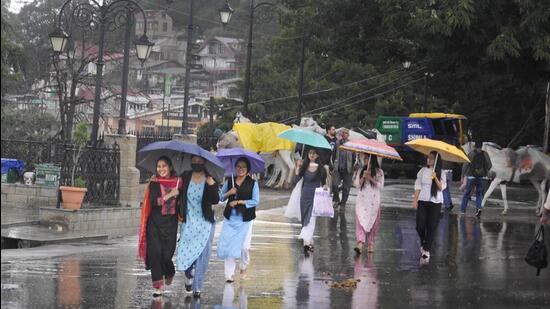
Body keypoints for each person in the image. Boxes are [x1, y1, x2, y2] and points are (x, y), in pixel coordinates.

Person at [138, 156, 183, 297]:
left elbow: (183, 203)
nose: (161, 169)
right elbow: (153, 202)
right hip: (155, 224)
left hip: (171, 224)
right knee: (155, 253)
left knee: (166, 255)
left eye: (164, 166)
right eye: (159, 166)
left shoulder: (179, 182)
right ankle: (157, 286)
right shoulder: (154, 182)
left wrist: (178, 195)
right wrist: (169, 196)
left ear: (170, 167)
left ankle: (169, 272)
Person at [175, 155, 219, 298]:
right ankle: (188, 274)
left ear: (204, 162)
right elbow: (178, 192)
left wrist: (211, 185)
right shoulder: (185, 176)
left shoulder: (210, 178)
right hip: (188, 220)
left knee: (202, 254)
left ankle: (198, 286)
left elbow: (215, 200)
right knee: (186, 249)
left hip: (205, 222)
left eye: (199, 161)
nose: (197, 163)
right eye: (194, 161)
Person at [218, 157, 260, 283]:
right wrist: (228, 193)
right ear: (235, 168)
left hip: (246, 219)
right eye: (238, 166)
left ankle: (244, 265)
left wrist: (239, 201)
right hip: (230, 219)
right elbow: (220, 198)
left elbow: (255, 201)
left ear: (248, 170)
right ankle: (229, 275)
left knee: (244, 247)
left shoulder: (253, 183)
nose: (240, 169)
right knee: (229, 247)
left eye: (243, 167)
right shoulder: (229, 181)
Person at [412, 151, 447, 260]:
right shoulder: (422, 171)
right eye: (428, 157)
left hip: (435, 202)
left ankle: (426, 250)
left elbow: (441, 187)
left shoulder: (442, 172)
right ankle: (423, 242)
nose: (429, 160)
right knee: (420, 225)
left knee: (431, 227)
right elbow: (418, 186)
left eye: (431, 158)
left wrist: (435, 177)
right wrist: (415, 200)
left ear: (436, 160)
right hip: (422, 201)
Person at [295, 148, 328, 254]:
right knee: (305, 219)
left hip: (315, 196)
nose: (312, 155)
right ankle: (309, 241)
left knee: (311, 219)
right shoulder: (304, 166)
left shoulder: (321, 168)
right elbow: (296, 180)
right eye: (310, 153)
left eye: (314, 153)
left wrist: (326, 187)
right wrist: (298, 167)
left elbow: (324, 183)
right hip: (304, 195)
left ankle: (306, 243)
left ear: (317, 155)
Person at [353, 155, 384, 255]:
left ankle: (371, 243)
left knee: (373, 222)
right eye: (364, 158)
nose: (365, 160)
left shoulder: (379, 172)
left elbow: (380, 185)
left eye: (367, 158)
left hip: (373, 201)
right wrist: (363, 177)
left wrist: (370, 178)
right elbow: (357, 185)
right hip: (362, 200)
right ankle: (360, 244)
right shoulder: (361, 170)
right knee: (360, 221)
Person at [460, 140, 492, 217]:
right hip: (482, 177)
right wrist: (484, 170)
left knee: (467, 193)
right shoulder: (485, 154)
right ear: (481, 146)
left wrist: (462, 175)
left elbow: (465, 165)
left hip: (471, 176)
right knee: (479, 194)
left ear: (475, 146)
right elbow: (490, 165)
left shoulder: (471, 154)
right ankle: (478, 208)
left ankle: (463, 209)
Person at [332, 128, 356, 212]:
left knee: (346, 188)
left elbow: (354, 158)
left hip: (348, 169)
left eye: (346, 133)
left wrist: (352, 167)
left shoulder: (351, 144)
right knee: (334, 185)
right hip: (338, 168)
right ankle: (337, 200)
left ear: (348, 135)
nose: (344, 134)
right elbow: (333, 155)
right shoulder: (337, 143)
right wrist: (334, 165)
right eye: (343, 133)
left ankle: (343, 204)